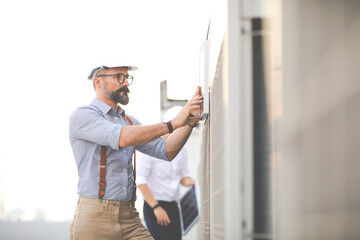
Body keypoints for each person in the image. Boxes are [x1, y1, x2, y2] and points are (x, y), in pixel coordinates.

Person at [68, 63, 203, 240]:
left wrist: (190, 121)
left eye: (127, 78)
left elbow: (166, 151)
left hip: (129, 216)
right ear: (98, 82)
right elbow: (122, 137)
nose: (126, 83)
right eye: (119, 77)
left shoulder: (129, 121)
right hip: (95, 218)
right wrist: (172, 124)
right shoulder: (83, 115)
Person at [137, 134, 195, 240]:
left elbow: (183, 176)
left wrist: (190, 182)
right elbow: (140, 182)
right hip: (154, 206)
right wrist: (156, 208)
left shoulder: (182, 150)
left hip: (173, 205)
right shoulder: (150, 150)